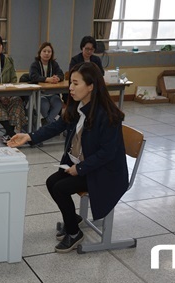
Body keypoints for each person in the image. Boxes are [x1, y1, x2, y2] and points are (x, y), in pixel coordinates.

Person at [7, 62, 128, 253]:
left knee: (61, 188)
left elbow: (107, 153)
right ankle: (73, 219)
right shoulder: (78, 106)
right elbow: (56, 126)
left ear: (91, 86)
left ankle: (74, 233)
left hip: (104, 172)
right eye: (70, 82)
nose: (70, 87)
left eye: (76, 83)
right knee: (51, 182)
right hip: (86, 165)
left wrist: (79, 169)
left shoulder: (107, 115)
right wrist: (29, 137)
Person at [29, 42, 65, 125]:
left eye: (49, 51)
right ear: (40, 53)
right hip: (41, 94)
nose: (47, 53)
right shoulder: (35, 64)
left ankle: (47, 122)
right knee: (44, 106)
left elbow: (61, 74)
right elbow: (33, 76)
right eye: (44, 51)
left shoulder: (54, 64)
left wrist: (57, 78)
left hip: (53, 94)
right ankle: (52, 123)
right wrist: (47, 79)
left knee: (58, 104)